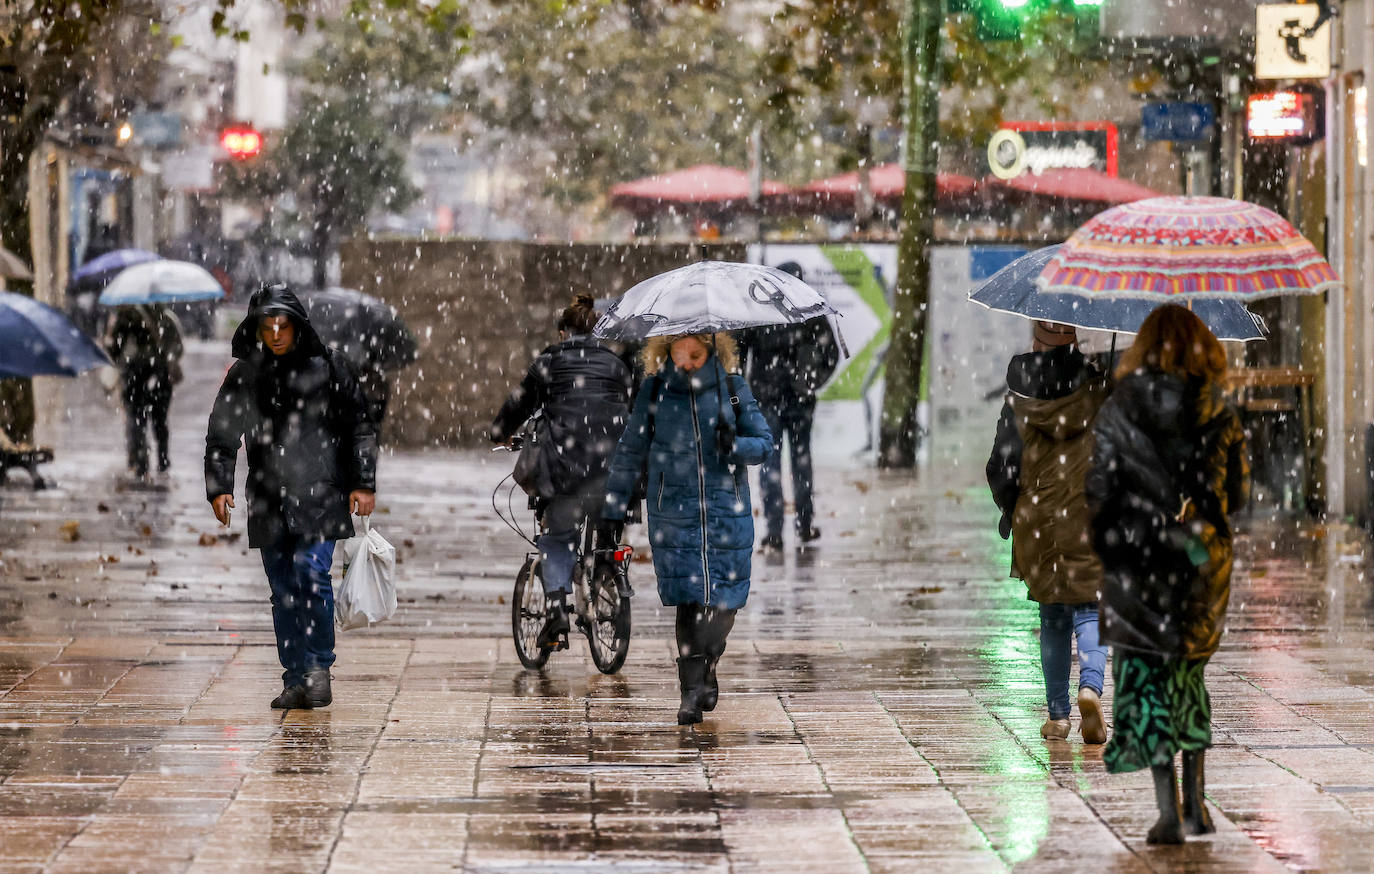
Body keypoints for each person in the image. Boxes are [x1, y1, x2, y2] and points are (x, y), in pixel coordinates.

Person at [1085, 304, 1248, 845]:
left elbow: (1100, 494)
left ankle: (1166, 811)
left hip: (1137, 565)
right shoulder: (1220, 410)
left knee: (1145, 682)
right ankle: (1197, 801)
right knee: (1186, 677)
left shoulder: (1117, 409)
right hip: (1200, 564)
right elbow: (1237, 498)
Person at [205, 283, 378, 710]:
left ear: (297, 326)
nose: (277, 333)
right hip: (268, 495)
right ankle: (295, 676)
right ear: (258, 328)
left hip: (320, 491)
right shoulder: (246, 374)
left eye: (284, 325)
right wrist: (219, 487)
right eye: (269, 326)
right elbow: (223, 433)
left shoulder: (331, 367)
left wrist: (362, 482)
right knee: (282, 588)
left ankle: (318, 667)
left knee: (311, 573)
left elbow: (359, 425)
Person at [599, 332, 772, 725]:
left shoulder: (733, 388)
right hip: (673, 511)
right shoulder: (656, 392)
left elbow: (764, 444)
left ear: (711, 351)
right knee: (690, 599)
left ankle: (708, 662)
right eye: (679, 355)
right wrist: (614, 506)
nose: (687, 363)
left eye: (694, 355)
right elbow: (630, 450)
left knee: (726, 603)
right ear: (666, 353)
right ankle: (690, 691)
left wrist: (735, 447)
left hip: (726, 511)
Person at [987, 321, 1110, 745]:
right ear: (1074, 338)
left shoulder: (1019, 396)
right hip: (1087, 513)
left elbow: (999, 467)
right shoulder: (1098, 390)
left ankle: (1057, 716)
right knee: (1091, 609)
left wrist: (1011, 508)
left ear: (1036, 340)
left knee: (1053, 615)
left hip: (1036, 517)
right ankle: (1090, 688)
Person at [491, 293, 633, 649]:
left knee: (556, 538)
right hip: (614, 471)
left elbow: (520, 403)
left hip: (566, 470)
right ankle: (606, 568)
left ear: (561, 332)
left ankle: (556, 609)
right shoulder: (616, 365)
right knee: (607, 531)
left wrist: (499, 431)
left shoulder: (549, 362)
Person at [740, 262, 840, 551]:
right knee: (797, 464)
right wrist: (811, 382)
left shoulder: (761, 314)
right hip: (787, 400)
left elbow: (739, 354)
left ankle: (779, 531)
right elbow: (829, 354)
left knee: (777, 465)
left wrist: (809, 383)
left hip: (779, 400)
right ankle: (800, 526)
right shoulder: (809, 313)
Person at [106, 304, 184, 480]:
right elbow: (178, 348)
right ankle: (163, 459)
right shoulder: (167, 318)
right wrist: (164, 356)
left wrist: (120, 351)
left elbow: (114, 349)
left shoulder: (125, 316)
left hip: (134, 374)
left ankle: (140, 461)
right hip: (160, 375)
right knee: (160, 418)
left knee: (136, 418)